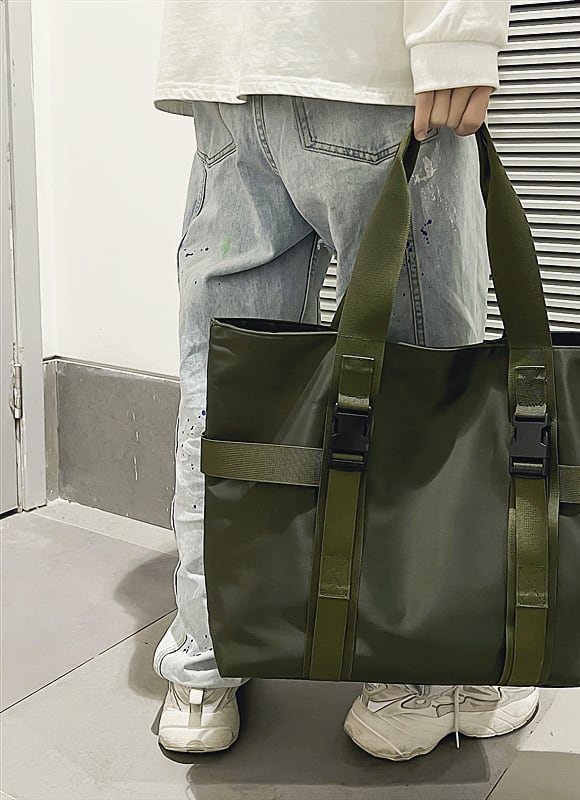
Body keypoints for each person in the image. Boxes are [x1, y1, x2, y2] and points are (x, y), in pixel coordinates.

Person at [151, 0, 539, 761]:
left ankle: (206, 661)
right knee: (424, 380)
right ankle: (417, 684)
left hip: (225, 77)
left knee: (228, 388)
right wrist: (457, 34)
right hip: (363, 63)